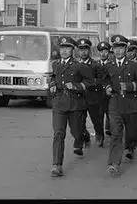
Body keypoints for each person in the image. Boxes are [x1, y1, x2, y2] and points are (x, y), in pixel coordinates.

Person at [49, 36, 93, 177]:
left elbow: (90, 82)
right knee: (58, 134)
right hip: (59, 103)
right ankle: (57, 165)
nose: (64, 51)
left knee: (76, 132)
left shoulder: (79, 66)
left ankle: (83, 136)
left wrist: (76, 86)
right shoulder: (56, 64)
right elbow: (54, 77)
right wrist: (52, 85)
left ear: (73, 50)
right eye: (62, 48)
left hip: (75, 104)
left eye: (67, 48)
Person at [104, 35, 137, 176]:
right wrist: (107, 87)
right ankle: (114, 163)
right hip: (115, 104)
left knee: (132, 133)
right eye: (115, 48)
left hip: (131, 104)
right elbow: (104, 80)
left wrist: (130, 86)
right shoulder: (109, 65)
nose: (118, 51)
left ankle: (135, 142)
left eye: (121, 48)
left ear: (125, 48)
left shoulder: (134, 65)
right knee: (116, 134)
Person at [77, 38, 107, 148]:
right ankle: (85, 135)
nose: (83, 52)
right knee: (79, 122)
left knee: (96, 120)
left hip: (93, 97)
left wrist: (90, 82)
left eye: (85, 49)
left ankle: (99, 134)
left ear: (89, 51)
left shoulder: (96, 65)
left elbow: (102, 80)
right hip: (79, 97)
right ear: (78, 51)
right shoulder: (75, 65)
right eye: (81, 50)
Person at [96, 41, 114, 139]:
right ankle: (100, 136)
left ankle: (110, 130)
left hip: (109, 95)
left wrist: (109, 86)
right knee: (98, 117)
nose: (103, 54)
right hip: (98, 95)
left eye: (105, 51)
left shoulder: (112, 65)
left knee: (110, 115)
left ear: (109, 53)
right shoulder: (95, 64)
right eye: (101, 51)